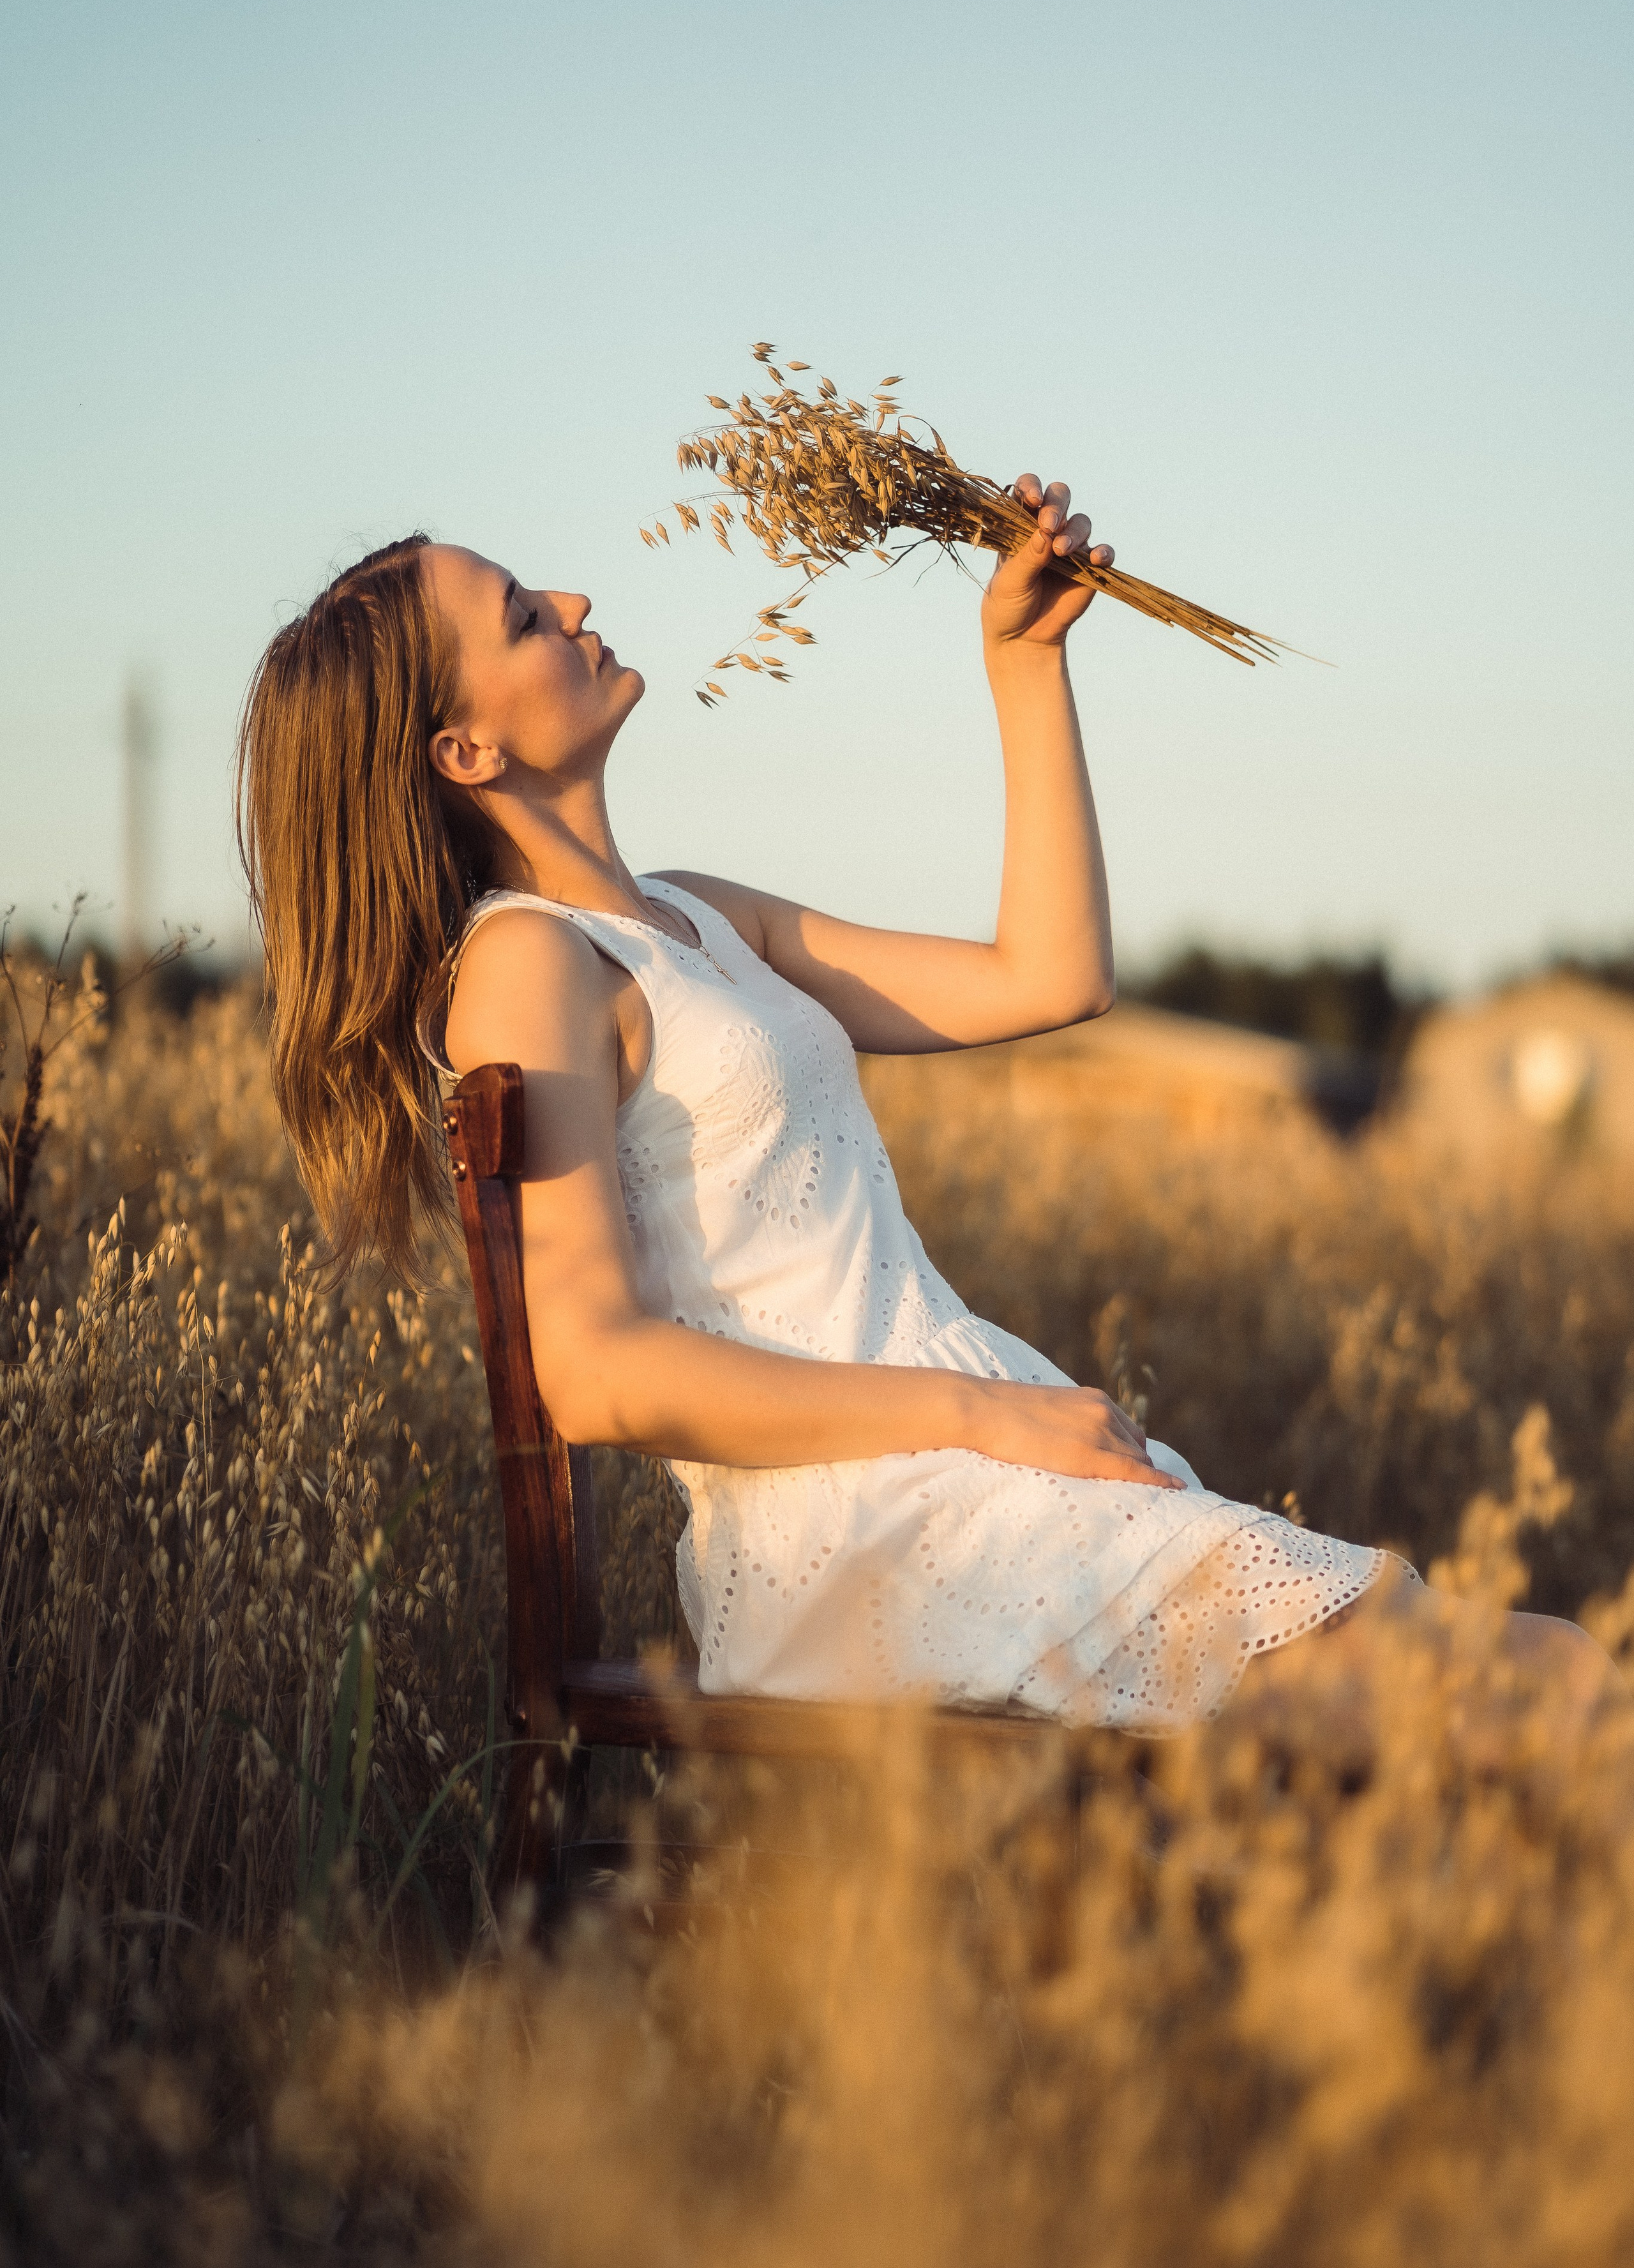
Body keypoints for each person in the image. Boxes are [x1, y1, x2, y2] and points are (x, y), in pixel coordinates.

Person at [236, 484, 1617, 1735]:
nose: (578, 607)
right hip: (856, 1542)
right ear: (463, 750)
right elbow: (594, 1372)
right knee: (1529, 1689)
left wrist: (1023, 667)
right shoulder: (528, 967)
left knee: (1537, 1674)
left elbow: (1051, 976)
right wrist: (976, 1418)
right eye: (528, 618)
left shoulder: (695, 918)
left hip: (971, 1483)